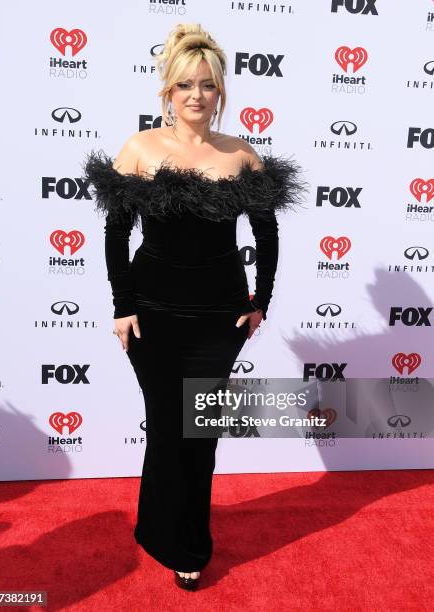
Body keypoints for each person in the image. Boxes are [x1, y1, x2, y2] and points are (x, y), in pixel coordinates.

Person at [82, 23, 305, 591]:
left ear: (221, 92)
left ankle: (190, 545)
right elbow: (115, 235)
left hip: (218, 317)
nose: (196, 96)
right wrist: (123, 304)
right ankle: (157, 530)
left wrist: (262, 301)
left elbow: (267, 231)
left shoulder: (241, 154)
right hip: (152, 311)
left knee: (198, 431)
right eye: (185, 85)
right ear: (167, 92)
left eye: (207, 85)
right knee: (165, 427)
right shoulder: (140, 149)